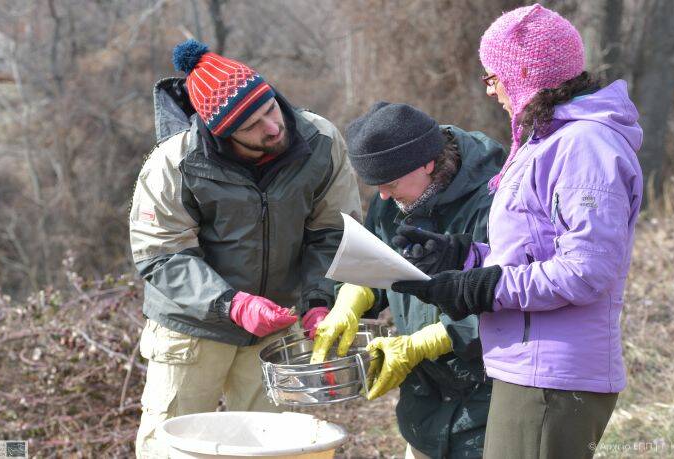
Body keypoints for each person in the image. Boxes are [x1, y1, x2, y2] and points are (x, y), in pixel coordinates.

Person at [392, 4, 643, 458]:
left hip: (553, 373)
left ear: (523, 73)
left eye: (492, 76)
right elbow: (533, 252)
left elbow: (587, 270)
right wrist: (463, 259)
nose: (490, 90)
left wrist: (485, 288)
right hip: (527, 364)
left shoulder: (584, 146)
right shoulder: (546, 142)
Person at [129, 39, 361, 458]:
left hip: (277, 325)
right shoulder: (172, 163)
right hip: (191, 329)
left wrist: (319, 299)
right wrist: (230, 304)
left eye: (270, 108)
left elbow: (334, 231)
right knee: (168, 447)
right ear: (221, 133)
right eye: (251, 126)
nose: (272, 127)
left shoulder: (321, 141)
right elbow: (160, 253)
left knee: (276, 448)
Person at [311, 102, 506, 458]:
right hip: (424, 402)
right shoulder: (396, 199)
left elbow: (508, 296)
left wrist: (422, 343)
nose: (383, 196)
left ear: (428, 162)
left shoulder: (495, 201)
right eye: (376, 186)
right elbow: (378, 259)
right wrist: (351, 298)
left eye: (390, 184)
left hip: (487, 398)